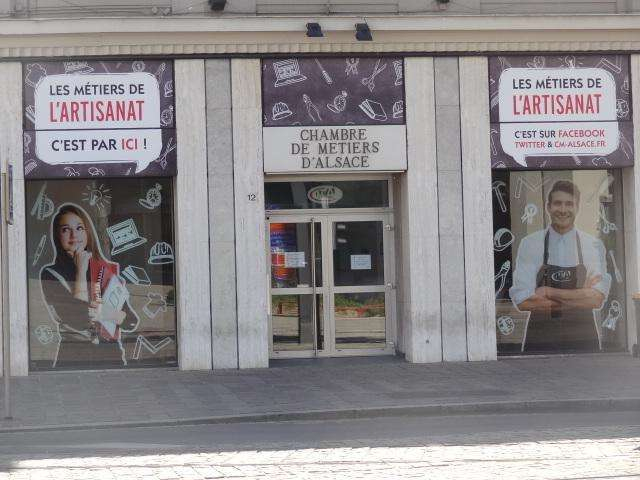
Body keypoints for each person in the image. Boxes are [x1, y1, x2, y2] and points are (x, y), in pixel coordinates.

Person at [509, 180, 611, 352]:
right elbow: (523, 301)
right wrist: (581, 295)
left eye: (569, 204)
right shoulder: (530, 244)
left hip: (583, 340)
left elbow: (597, 299)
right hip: (539, 340)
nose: (563, 210)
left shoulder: (592, 245)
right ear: (548, 207)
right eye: (557, 203)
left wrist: (548, 292)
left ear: (577, 207)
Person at [40, 203, 139, 368]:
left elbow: (130, 321)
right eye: (65, 229)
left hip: (111, 356)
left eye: (79, 228)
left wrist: (101, 312)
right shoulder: (50, 274)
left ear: (88, 232)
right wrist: (81, 270)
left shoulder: (104, 270)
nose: (74, 235)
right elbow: (78, 316)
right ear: (57, 236)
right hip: (73, 357)